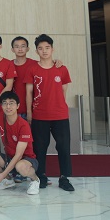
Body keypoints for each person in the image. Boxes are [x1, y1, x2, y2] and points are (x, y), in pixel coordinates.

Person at [25, 34, 74, 192]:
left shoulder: (61, 69)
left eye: (47, 48)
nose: (44, 51)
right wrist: (30, 113)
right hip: (39, 115)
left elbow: (63, 91)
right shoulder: (32, 69)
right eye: (40, 48)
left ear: (52, 49)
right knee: (40, 148)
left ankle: (64, 177)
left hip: (60, 115)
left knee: (64, 147)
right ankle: (41, 176)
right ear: (36, 51)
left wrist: (59, 106)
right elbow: (28, 93)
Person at [0, 91, 41, 195]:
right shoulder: (1, 117)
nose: (8, 106)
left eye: (11, 103)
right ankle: (8, 180)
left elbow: (19, 155)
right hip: (9, 158)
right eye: (5, 103)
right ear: (1, 106)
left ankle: (35, 180)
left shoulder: (23, 125)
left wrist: (2, 174)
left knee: (20, 166)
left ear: (17, 106)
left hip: (26, 159)